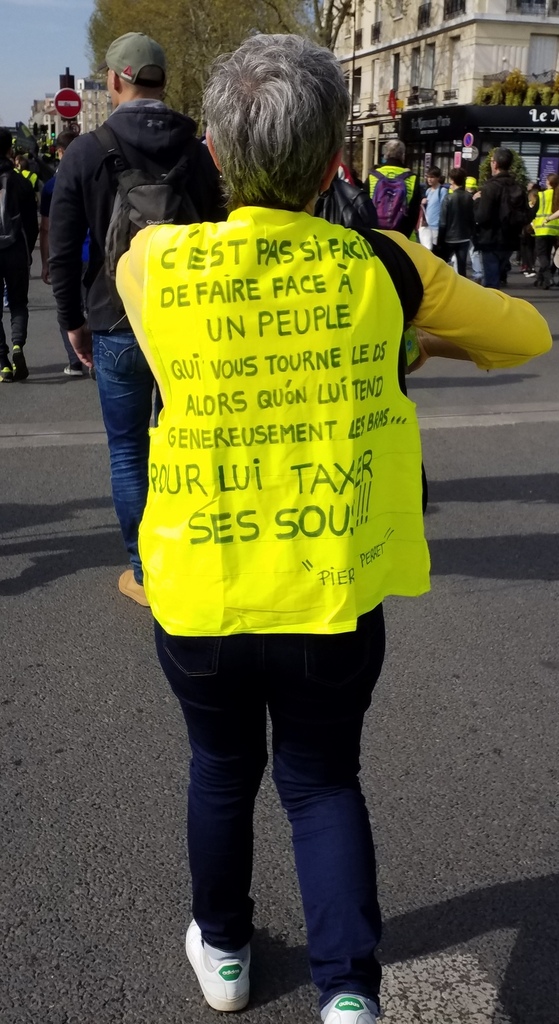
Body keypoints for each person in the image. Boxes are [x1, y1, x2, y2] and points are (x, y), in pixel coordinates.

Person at [116, 34, 551, 1024]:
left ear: (220, 156)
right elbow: (525, 334)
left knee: (220, 767)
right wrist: (420, 334)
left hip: (200, 588)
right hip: (330, 587)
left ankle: (223, 951)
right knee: (321, 783)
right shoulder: (385, 266)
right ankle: (350, 991)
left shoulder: (154, 265)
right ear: (328, 166)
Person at [49, 31, 225, 606]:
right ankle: (197, 553)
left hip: (115, 318)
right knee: (187, 444)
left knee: (128, 451)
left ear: (116, 79)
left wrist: (73, 322)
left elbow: (62, 248)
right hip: (188, 324)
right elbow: (222, 228)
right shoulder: (197, 148)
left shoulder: (85, 151)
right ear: (163, 81)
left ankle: (146, 572)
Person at [40, 131, 89, 377]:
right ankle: (96, 356)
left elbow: (46, 227)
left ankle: (75, 360)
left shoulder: (51, 186)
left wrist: (45, 262)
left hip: (67, 255)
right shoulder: (92, 175)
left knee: (69, 307)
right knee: (92, 305)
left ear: (59, 152)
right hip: (94, 253)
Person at [0, 128, 39, 383]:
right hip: (15, 251)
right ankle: (17, 346)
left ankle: (2, 362)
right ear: (10, 150)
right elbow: (32, 224)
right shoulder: (22, 182)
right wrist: (28, 251)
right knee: (18, 304)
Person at [473, 147, 530, 289]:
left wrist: (476, 202)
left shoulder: (490, 188)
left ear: (495, 164)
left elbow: (482, 216)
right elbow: (526, 214)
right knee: (497, 275)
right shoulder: (518, 187)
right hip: (510, 239)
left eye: (492, 161)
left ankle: (492, 308)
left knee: (491, 281)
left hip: (491, 239)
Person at [367, 139, 420, 236]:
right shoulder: (412, 178)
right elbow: (414, 213)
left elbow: (365, 209)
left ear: (385, 154)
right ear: (403, 155)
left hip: (376, 235)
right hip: (403, 237)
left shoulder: (372, 177)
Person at [438, 167, 475, 276]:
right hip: (464, 237)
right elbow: (471, 218)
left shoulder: (448, 198)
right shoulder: (469, 197)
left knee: (442, 264)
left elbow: (443, 222)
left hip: (449, 238)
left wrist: (440, 241)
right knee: (462, 267)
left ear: (452, 180)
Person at [531, 172, 559, 288]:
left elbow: (533, 212)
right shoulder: (557, 194)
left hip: (541, 228)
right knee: (547, 254)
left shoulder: (541, 195)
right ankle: (540, 279)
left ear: (548, 182)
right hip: (554, 230)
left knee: (542, 255)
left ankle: (548, 277)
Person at [419, 164, 445, 252]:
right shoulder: (428, 191)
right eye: (428, 177)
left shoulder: (442, 191)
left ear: (438, 178)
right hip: (426, 226)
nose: (429, 179)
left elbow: (443, 209)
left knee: (434, 252)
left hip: (436, 227)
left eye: (432, 177)